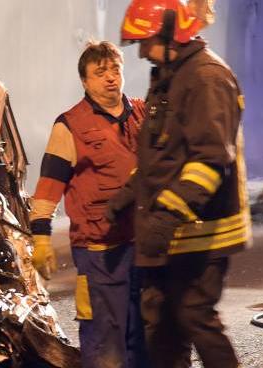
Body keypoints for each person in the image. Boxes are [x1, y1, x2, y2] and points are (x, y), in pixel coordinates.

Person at [113, 1, 250, 367]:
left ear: (173, 32)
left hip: (202, 232)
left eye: (146, 41)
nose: (141, 51)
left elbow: (209, 161)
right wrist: (127, 196)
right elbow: (162, 154)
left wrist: (165, 217)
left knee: (194, 315)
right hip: (174, 232)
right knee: (163, 325)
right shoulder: (172, 73)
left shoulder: (206, 78)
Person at [30, 41, 147, 368]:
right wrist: (41, 236)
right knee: (104, 340)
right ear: (85, 81)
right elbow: (50, 182)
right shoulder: (70, 125)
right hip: (98, 252)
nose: (110, 77)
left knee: (143, 335)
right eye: (100, 72)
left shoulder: (142, 112)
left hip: (142, 245)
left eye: (115, 69)